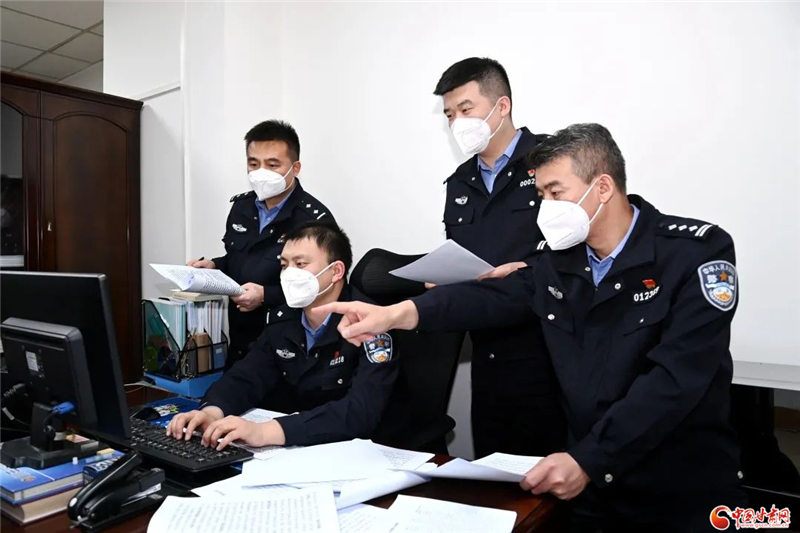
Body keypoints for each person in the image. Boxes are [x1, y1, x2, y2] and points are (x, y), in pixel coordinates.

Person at [316, 124, 747, 531]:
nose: (546, 208)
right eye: (541, 195)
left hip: (675, 488)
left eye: (556, 192)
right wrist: (395, 314)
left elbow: (673, 380)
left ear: (602, 188)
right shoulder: (559, 263)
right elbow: (487, 298)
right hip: (590, 487)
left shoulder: (693, 253)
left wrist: (589, 459)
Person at [431, 57, 564, 457]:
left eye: (465, 109)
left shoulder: (552, 161)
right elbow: (464, 256)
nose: (457, 122)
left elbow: (582, 250)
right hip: (487, 355)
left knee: (550, 478)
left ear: (501, 105)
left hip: (549, 353)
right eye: (450, 115)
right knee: (492, 474)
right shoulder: (460, 183)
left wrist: (527, 270)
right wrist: (445, 282)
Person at [169, 223, 401, 449]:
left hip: (360, 451)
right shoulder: (283, 318)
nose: (289, 274)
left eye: (300, 264)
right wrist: (212, 412)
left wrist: (265, 432)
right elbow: (247, 376)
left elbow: (360, 412)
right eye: (284, 265)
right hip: (298, 448)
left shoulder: (372, 323)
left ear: (336, 271)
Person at [187, 120, 335, 368]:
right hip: (241, 338)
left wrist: (266, 295)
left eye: (273, 165)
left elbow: (326, 286)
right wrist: (214, 266)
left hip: (289, 342)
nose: (261, 172)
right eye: (254, 164)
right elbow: (240, 259)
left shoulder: (312, 219)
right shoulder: (242, 207)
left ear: (295, 168)